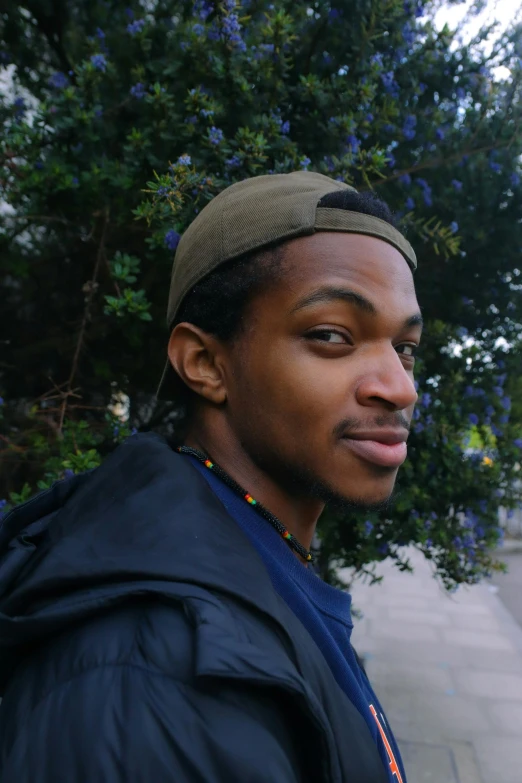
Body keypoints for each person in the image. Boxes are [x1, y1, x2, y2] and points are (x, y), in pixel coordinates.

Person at [0, 171, 421, 783]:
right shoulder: (158, 677)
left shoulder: (250, 548)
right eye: (332, 336)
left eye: (404, 346)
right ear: (205, 363)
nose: (399, 386)